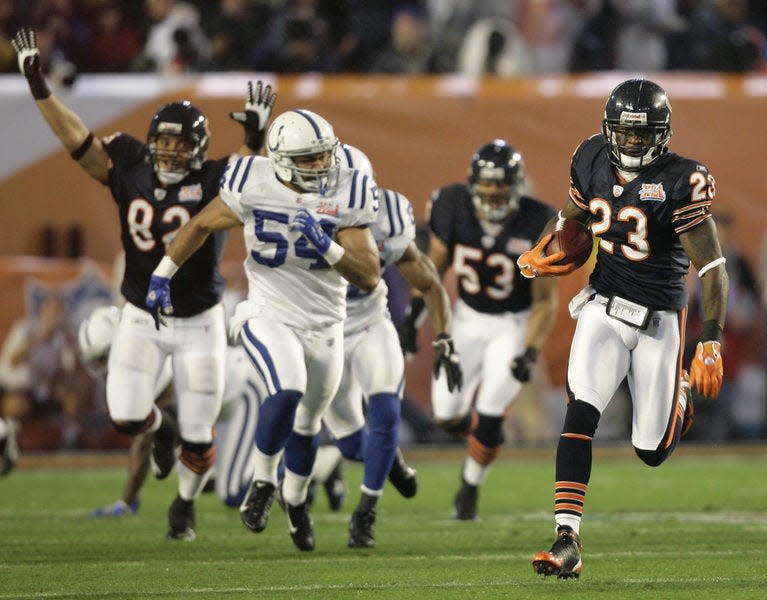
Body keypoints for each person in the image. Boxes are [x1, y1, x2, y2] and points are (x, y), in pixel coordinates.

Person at [12, 27, 277, 541]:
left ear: (200, 148)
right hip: (143, 314)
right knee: (128, 415)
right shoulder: (130, 164)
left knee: (202, 435)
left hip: (200, 319)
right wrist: (39, 86)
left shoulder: (218, 177)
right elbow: (76, 140)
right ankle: (162, 430)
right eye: (164, 142)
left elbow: (254, 180)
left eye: (181, 144)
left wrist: (255, 137)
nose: (170, 152)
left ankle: (184, 503)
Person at [144, 108, 382, 552]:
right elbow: (199, 225)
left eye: (323, 156)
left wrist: (326, 245)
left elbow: (369, 274)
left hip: (326, 324)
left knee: (308, 426)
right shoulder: (251, 180)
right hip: (268, 311)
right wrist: (162, 274)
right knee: (286, 388)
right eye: (309, 159)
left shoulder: (348, 185)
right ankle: (262, 482)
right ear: (281, 159)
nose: (322, 165)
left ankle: (295, 504)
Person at [518, 78, 728, 579]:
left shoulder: (682, 179)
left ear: (663, 133)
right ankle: (567, 537)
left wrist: (712, 338)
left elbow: (713, 268)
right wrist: (546, 244)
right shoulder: (589, 157)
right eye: (625, 134)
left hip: (659, 319)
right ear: (609, 130)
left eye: (643, 134)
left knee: (651, 451)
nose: (633, 143)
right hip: (603, 307)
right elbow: (574, 215)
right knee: (579, 413)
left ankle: (680, 397)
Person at [399, 139, 559, 521]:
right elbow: (434, 269)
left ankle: (469, 486)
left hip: (513, 324)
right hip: (466, 321)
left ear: (516, 185)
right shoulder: (452, 206)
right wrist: (413, 317)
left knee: (490, 411)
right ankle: (486, 440)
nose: (494, 193)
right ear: (473, 184)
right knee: (446, 414)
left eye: (502, 185)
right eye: (487, 185)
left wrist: (531, 351)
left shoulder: (540, 221)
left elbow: (544, 300)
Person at [316, 144, 461, 548]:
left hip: (369, 322)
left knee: (385, 414)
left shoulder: (387, 216)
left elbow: (428, 280)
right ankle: (389, 460)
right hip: (322, 329)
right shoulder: (299, 214)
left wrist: (445, 336)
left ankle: (366, 512)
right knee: (348, 442)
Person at [78, 304, 264, 515]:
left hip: (242, 390)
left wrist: (126, 501)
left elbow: (146, 438)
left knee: (235, 493)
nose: (100, 367)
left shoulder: (148, 354)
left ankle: (288, 465)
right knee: (196, 473)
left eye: (103, 357)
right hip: (217, 412)